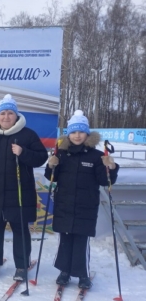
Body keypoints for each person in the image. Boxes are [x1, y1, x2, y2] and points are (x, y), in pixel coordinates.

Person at [0, 94, 48, 281]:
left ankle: (21, 265)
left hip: (20, 193)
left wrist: (24, 152)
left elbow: (41, 157)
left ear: (16, 115)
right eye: (3, 113)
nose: (6, 117)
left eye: (10, 113)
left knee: (20, 229)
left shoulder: (27, 134)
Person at [45, 110, 118, 289]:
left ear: (87, 133)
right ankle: (64, 271)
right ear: (68, 134)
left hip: (86, 205)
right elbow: (51, 177)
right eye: (74, 132)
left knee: (81, 241)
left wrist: (112, 167)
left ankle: (82, 273)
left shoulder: (96, 155)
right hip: (64, 204)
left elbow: (105, 180)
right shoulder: (61, 154)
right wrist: (51, 165)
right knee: (65, 240)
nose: (77, 136)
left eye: (81, 132)